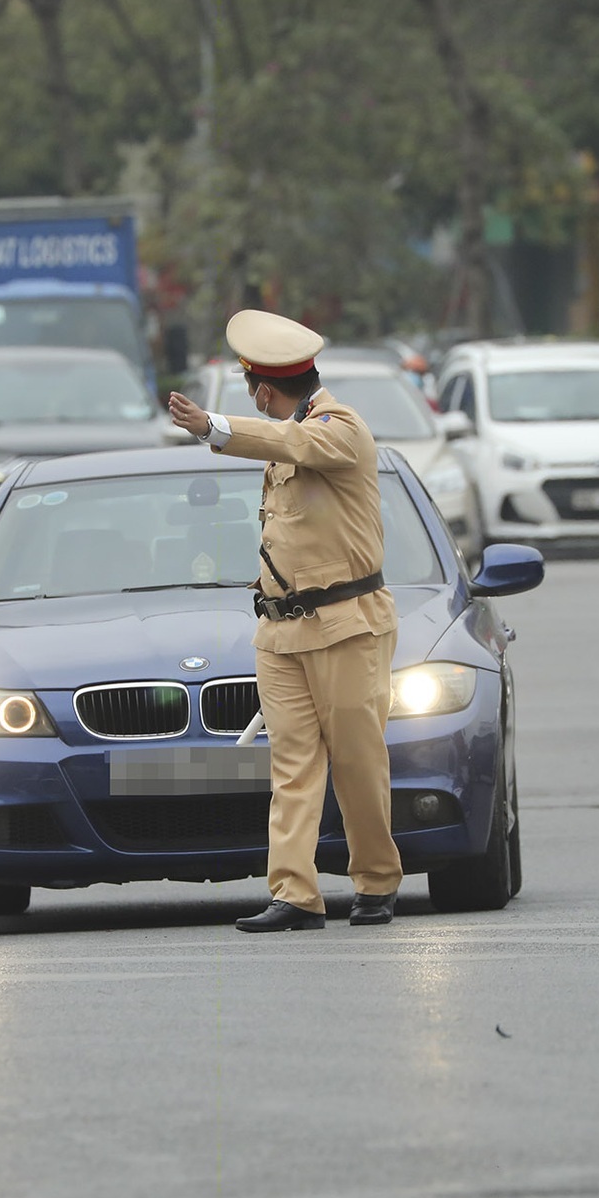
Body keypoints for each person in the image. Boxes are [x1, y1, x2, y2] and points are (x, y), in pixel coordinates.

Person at [167, 310, 402, 932]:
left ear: (263, 390)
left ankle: (376, 881)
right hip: (280, 630)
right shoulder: (293, 429)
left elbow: (293, 443)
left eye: (253, 392)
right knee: (292, 766)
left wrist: (213, 427)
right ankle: (295, 894)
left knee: (357, 761)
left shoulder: (340, 427)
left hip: (347, 624)